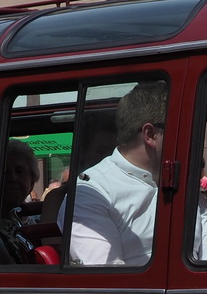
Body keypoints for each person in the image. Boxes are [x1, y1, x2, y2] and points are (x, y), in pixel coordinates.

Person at [68, 80, 169, 267]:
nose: (190, 137)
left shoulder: (181, 179)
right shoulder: (91, 191)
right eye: (179, 128)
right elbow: (109, 279)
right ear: (151, 134)